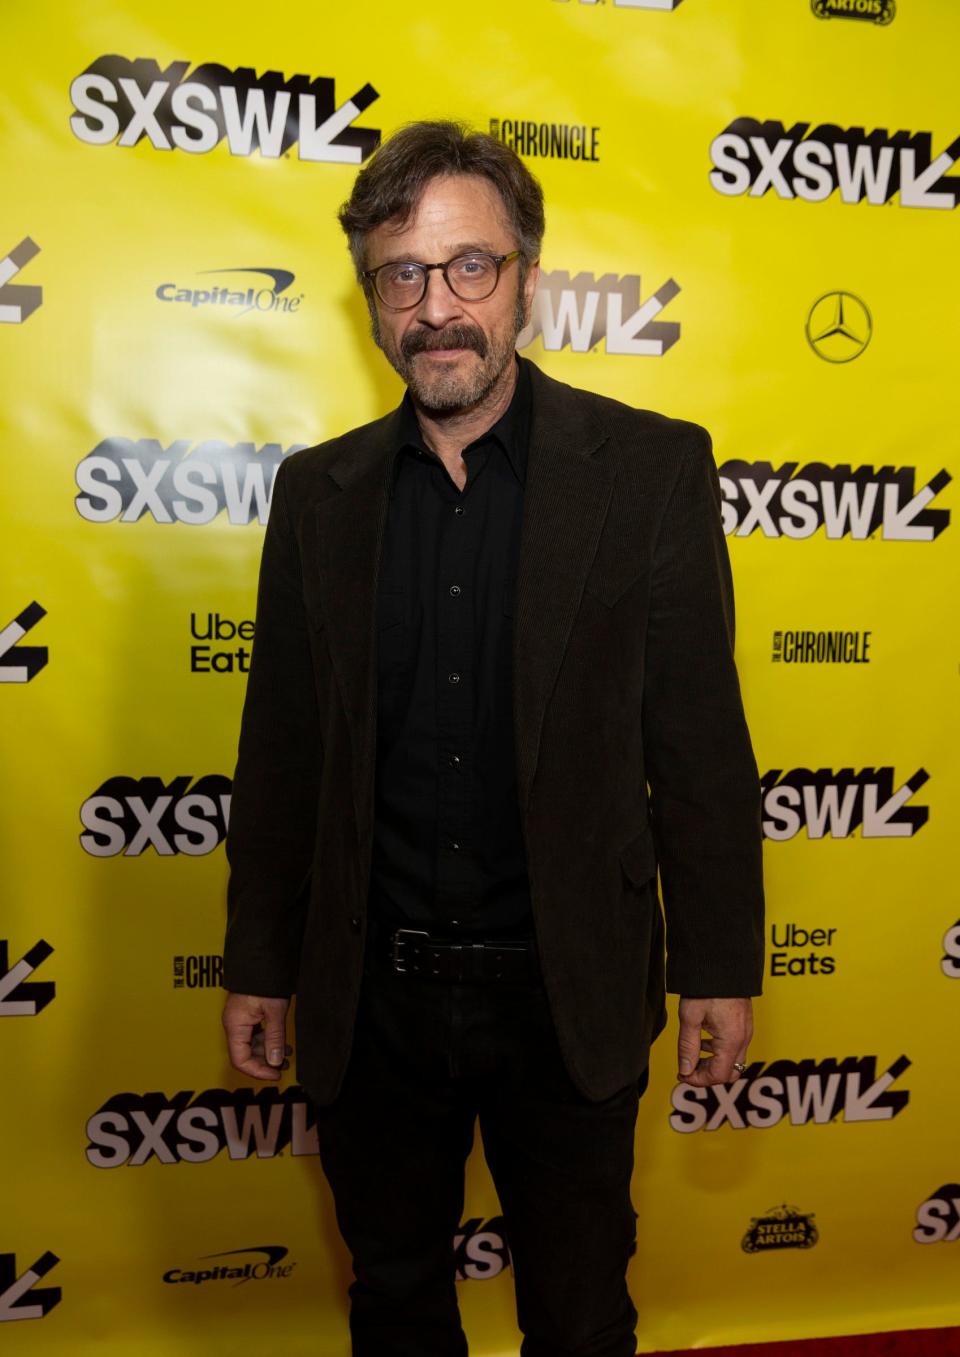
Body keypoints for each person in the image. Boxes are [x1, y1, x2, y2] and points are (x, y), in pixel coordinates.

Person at [220, 119, 764, 1357]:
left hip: (563, 992)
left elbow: (697, 742)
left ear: (528, 279)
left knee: (580, 1314)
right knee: (398, 1301)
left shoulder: (649, 471)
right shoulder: (318, 493)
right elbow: (285, 747)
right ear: (371, 302)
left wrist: (720, 962)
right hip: (373, 1000)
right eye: (402, 276)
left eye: (471, 267)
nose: (438, 307)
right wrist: (260, 956)